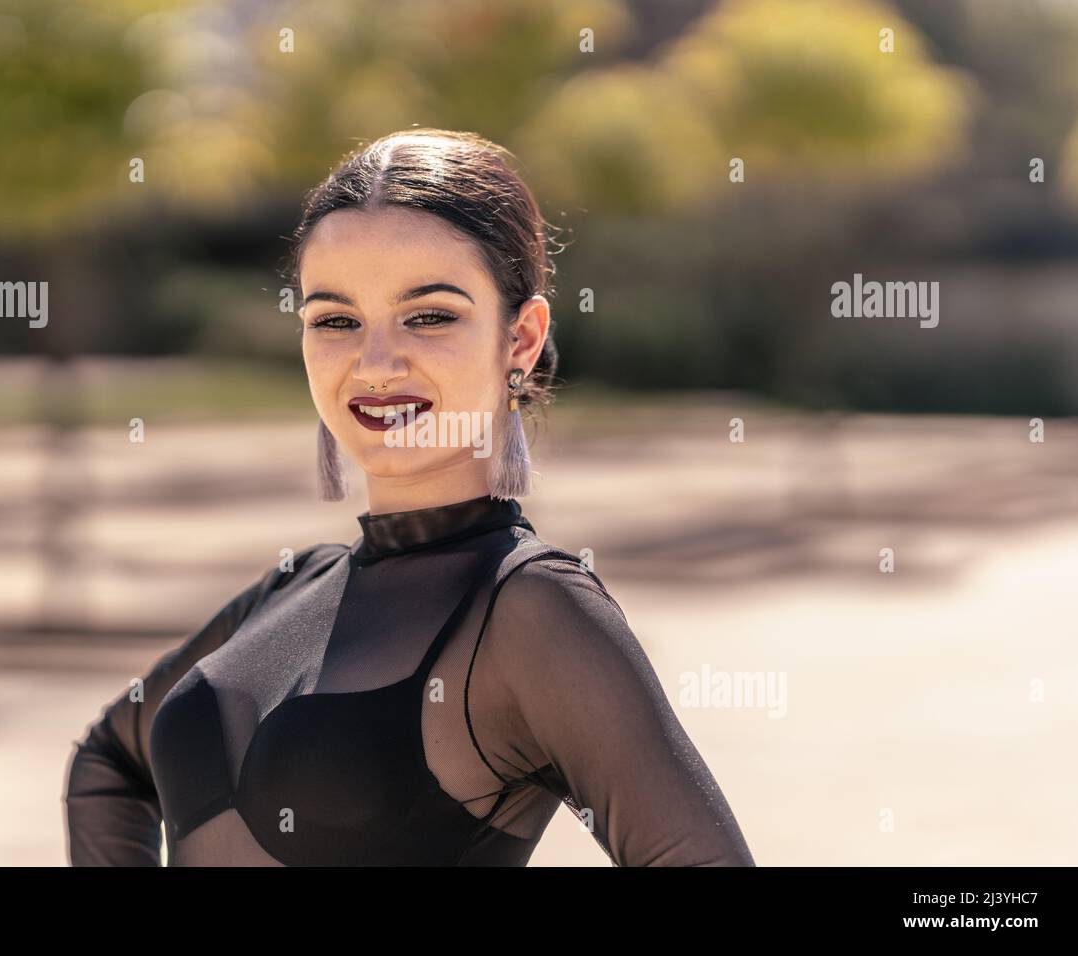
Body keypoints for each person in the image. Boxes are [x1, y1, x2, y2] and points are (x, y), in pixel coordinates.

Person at [62, 128, 755, 867]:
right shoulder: (291, 588)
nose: (376, 362)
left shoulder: (530, 612)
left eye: (428, 315)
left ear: (520, 340)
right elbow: (107, 764)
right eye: (335, 320)